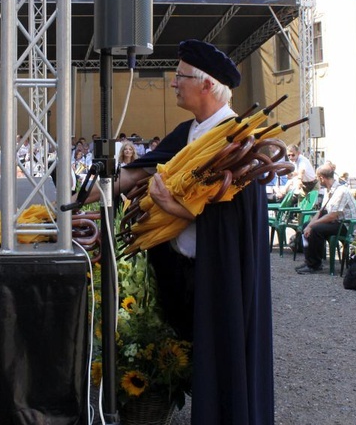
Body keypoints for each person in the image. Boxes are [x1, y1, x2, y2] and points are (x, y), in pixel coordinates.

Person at [86, 39, 273, 424]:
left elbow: (235, 218)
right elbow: (133, 174)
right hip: (180, 274)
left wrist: (182, 210)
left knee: (220, 360)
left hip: (217, 277)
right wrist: (70, 196)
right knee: (188, 355)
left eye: (180, 76)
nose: (173, 83)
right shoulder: (187, 133)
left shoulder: (239, 140)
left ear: (206, 85)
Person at [295, 163, 356, 274]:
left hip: (348, 225)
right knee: (306, 226)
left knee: (316, 229)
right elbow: (322, 212)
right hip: (336, 222)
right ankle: (309, 261)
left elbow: (332, 215)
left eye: (317, 177)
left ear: (322, 178)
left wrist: (312, 225)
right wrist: (309, 224)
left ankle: (315, 265)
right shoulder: (328, 190)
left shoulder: (341, 191)